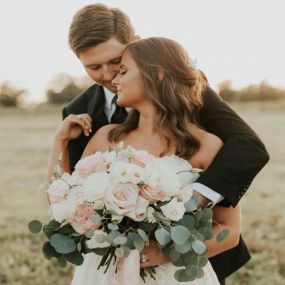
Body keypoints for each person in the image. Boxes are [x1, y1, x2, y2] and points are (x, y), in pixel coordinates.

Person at [51, 3, 269, 284]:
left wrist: (187, 204)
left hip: (191, 257)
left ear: (135, 44)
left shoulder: (187, 90)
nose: (108, 75)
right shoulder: (77, 111)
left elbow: (247, 146)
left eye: (116, 61)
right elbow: (71, 193)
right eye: (93, 67)